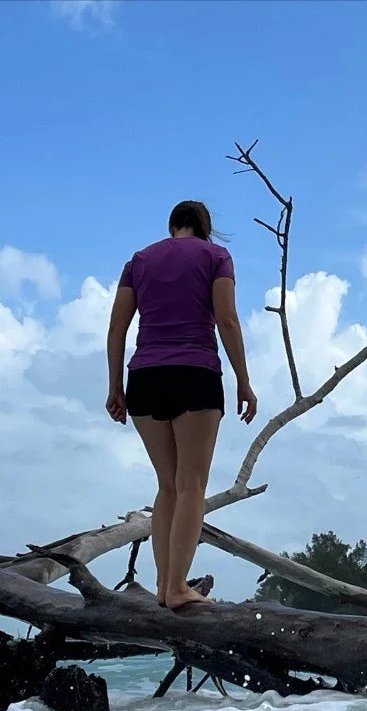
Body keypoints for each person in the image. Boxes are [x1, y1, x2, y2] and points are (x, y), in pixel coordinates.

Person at [105, 200, 258, 611]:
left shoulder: (139, 260)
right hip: (195, 372)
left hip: (145, 377)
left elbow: (118, 326)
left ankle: (163, 586)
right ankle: (177, 587)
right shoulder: (217, 257)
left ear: (172, 225)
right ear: (204, 228)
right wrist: (244, 380)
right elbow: (227, 319)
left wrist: (115, 386)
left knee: (168, 486)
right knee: (192, 485)